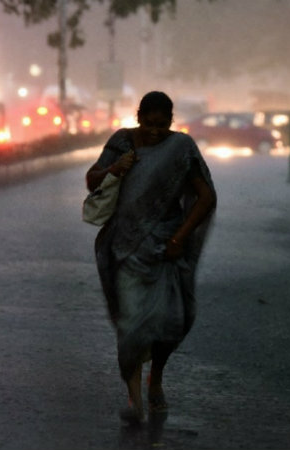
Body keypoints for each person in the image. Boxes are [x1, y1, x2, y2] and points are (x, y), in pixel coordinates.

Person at [86, 91, 216, 423]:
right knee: (130, 326)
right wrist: (116, 168)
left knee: (171, 324)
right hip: (126, 248)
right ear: (138, 116)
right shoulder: (122, 142)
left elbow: (205, 197)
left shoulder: (181, 148)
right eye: (149, 123)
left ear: (171, 121)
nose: (155, 130)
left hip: (166, 249)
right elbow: (92, 180)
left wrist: (179, 238)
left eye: (162, 124)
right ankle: (134, 401)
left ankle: (155, 377)